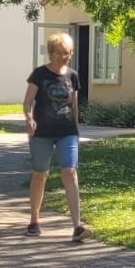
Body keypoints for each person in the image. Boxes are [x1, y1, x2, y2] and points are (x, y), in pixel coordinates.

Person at [23, 33, 90, 242]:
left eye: (68, 53)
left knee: (70, 172)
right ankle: (34, 220)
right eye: (60, 53)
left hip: (67, 131)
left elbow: (74, 104)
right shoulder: (39, 75)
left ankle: (77, 227)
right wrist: (28, 119)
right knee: (40, 174)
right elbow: (27, 102)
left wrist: (76, 129)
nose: (64, 57)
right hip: (41, 132)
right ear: (51, 53)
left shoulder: (72, 75)